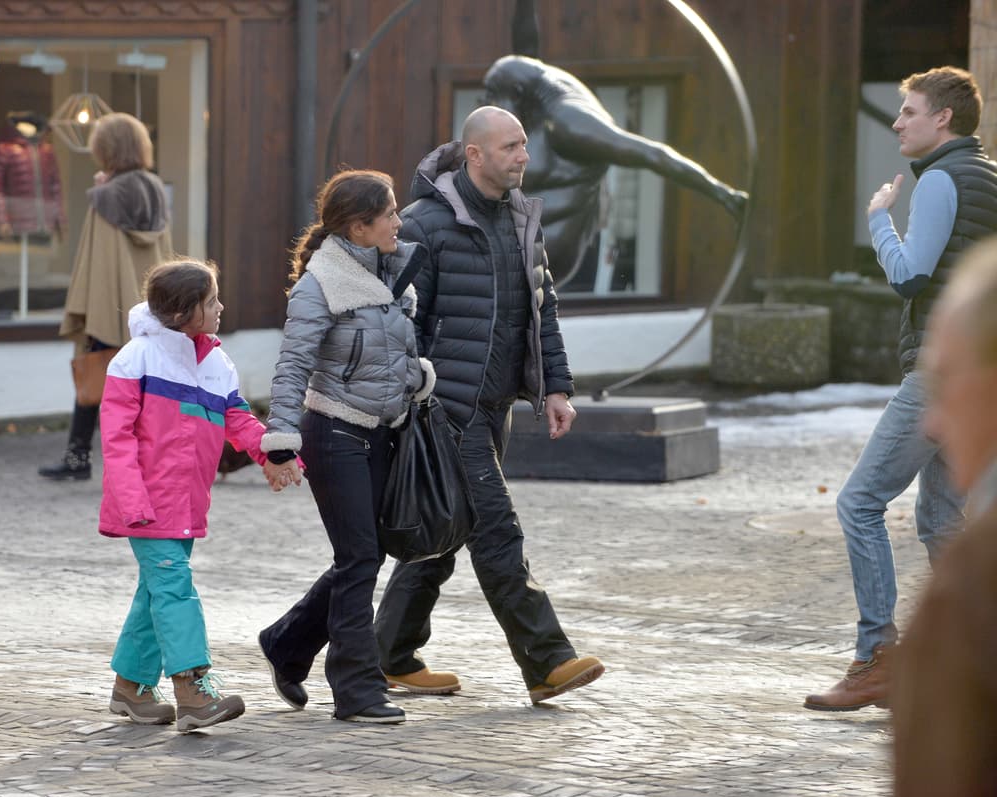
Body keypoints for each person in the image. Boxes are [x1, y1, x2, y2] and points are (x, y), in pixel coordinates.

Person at [372, 106, 604, 705]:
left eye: (524, 145)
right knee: (496, 530)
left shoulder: (522, 219)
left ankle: (387, 656)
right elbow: (396, 319)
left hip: (495, 402)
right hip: (445, 408)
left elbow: (541, 309)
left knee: (444, 532)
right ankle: (547, 661)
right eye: (510, 147)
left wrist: (555, 386)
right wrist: (413, 395)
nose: (523, 156)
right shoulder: (425, 223)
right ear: (474, 154)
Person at [804, 66, 997, 712]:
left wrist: (880, 220)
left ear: (943, 118)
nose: (897, 122)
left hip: (939, 374)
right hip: (975, 374)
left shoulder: (942, 179)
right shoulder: (990, 179)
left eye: (908, 111)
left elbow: (912, 275)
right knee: (941, 517)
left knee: (858, 502)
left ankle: (876, 658)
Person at [257, 170, 435, 725]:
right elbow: (292, 367)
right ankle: (357, 692)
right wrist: (280, 442)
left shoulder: (394, 270)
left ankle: (286, 643)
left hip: (383, 430)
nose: (399, 222)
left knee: (367, 553)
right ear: (359, 227)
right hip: (332, 431)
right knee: (358, 557)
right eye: (389, 214)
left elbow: (398, 349)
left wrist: (417, 378)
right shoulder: (321, 284)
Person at [99, 258, 292, 733]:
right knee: (174, 588)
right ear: (186, 312)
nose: (221, 307)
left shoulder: (216, 363)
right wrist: (132, 500)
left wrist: (273, 457)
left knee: (155, 593)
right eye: (212, 301)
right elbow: (116, 438)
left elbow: (239, 420)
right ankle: (192, 686)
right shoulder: (135, 359)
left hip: (185, 503)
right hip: (143, 505)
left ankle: (131, 689)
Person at [891, 236, 997, 797]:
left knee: (861, 500)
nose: (932, 420)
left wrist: (881, 222)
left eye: (944, 379)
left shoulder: (977, 584)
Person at [482, 54, 746, 289]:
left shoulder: (569, 123)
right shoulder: (532, 106)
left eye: (493, 95)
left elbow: (652, 154)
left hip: (540, 252)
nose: (486, 103)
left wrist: (724, 195)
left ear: (517, 92)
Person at [39, 112, 174, 480]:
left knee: (94, 376)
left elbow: (96, 263)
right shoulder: (155, 188)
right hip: (148, 305)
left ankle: (78, 457)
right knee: (147, 387)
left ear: (106, 149)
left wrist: (88, 310)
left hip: (109, 304)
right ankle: (151, 459)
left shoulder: (105, 198)